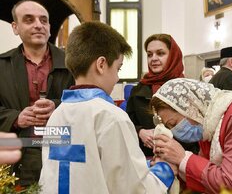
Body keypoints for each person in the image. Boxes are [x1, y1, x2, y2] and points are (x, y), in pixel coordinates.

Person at [39, 22, 176, 193]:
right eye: (118, 68)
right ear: (101, 64)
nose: (117, 78)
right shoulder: (111, 116)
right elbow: (135, 188)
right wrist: (166, 169)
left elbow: (89, 167)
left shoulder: (57, 114)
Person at [0, 0, 74, 186]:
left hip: (61, 149)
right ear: (15, 27)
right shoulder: (1, 65)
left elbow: (87, 102)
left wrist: (56, 107)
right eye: (29, 19)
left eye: (43, 20)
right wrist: (16, 118)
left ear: (49, 27)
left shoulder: (72, 64)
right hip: (15, 151)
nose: (38, 25)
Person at [126, 33, 198, 157]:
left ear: (172, 56)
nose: (153, 58)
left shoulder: (188, 88)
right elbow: (128, 123)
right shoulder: (138, 90)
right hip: (148, 159)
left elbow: (199, 131)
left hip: (183, 159)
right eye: (149, 54)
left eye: (160, 53)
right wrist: (140, 131)